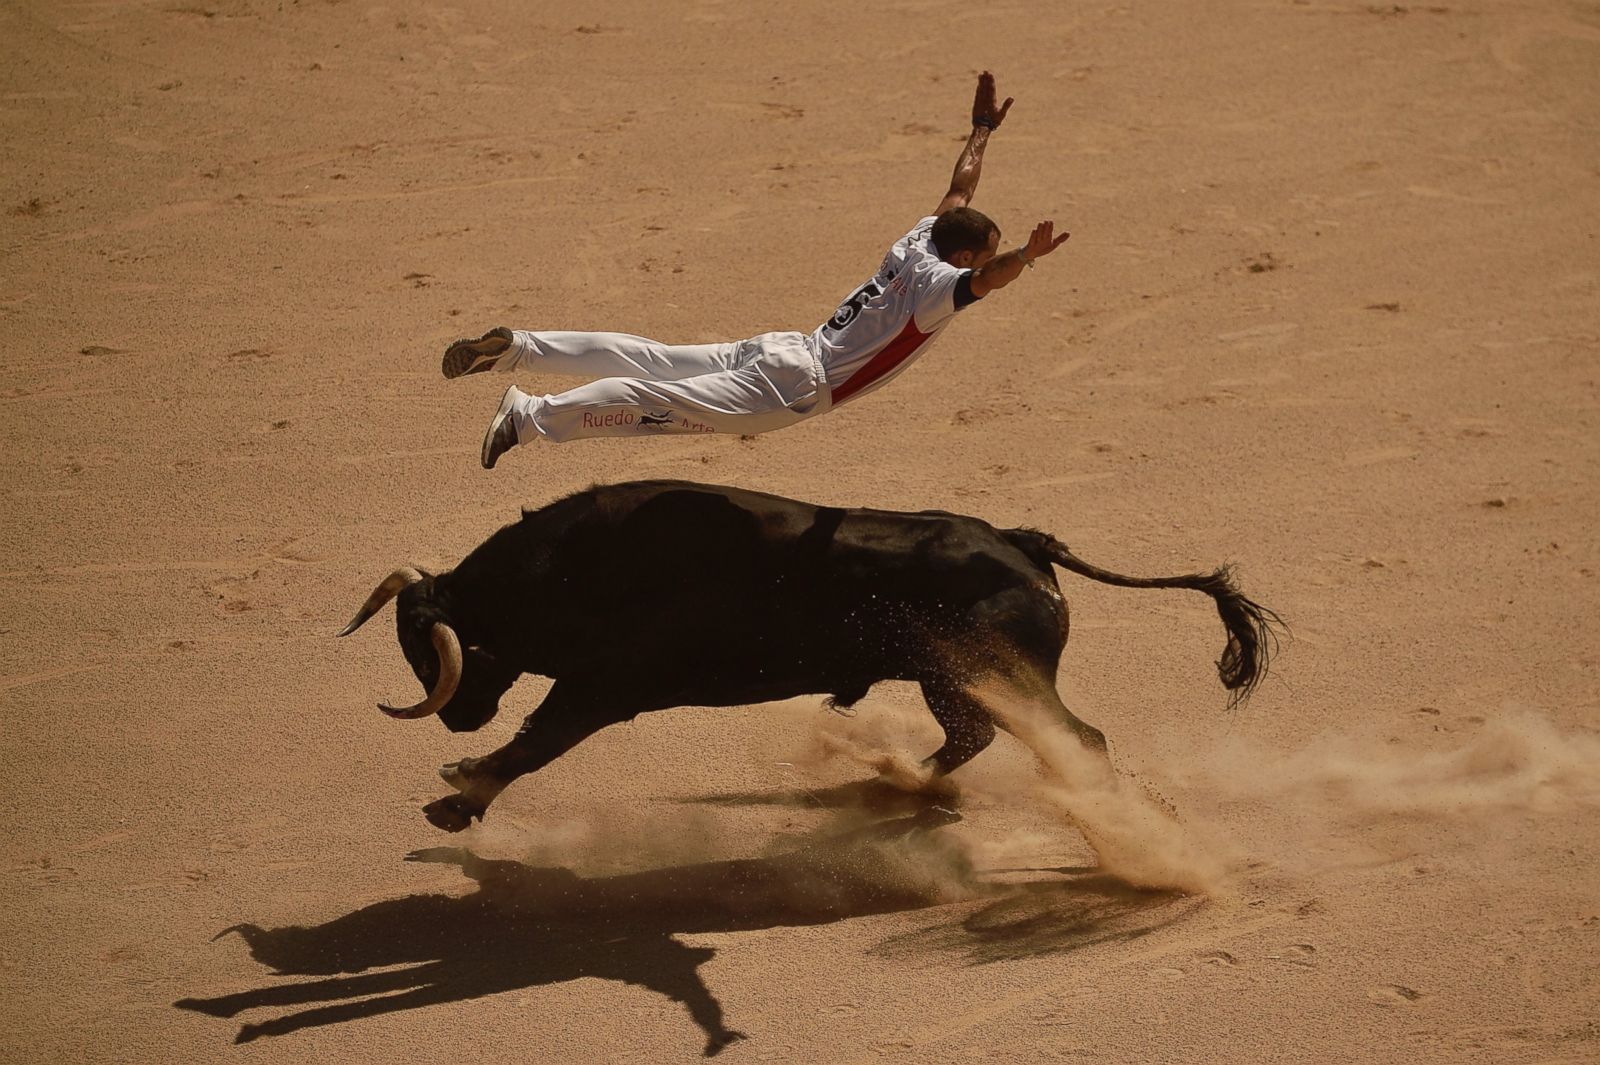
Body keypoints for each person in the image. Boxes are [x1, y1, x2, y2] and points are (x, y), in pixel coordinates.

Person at [447, 71, 1071, 469]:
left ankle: (518, 349)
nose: (984, 264)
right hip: (796, 386)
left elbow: (959, 191)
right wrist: (1024, 259)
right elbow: (987, 280)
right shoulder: (940, 287)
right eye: (983, 254)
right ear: (962, 258)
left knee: (650, 358)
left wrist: (982, 129)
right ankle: (529, 417)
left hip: (786, 348)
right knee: (652, 398)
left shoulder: (919, 241)